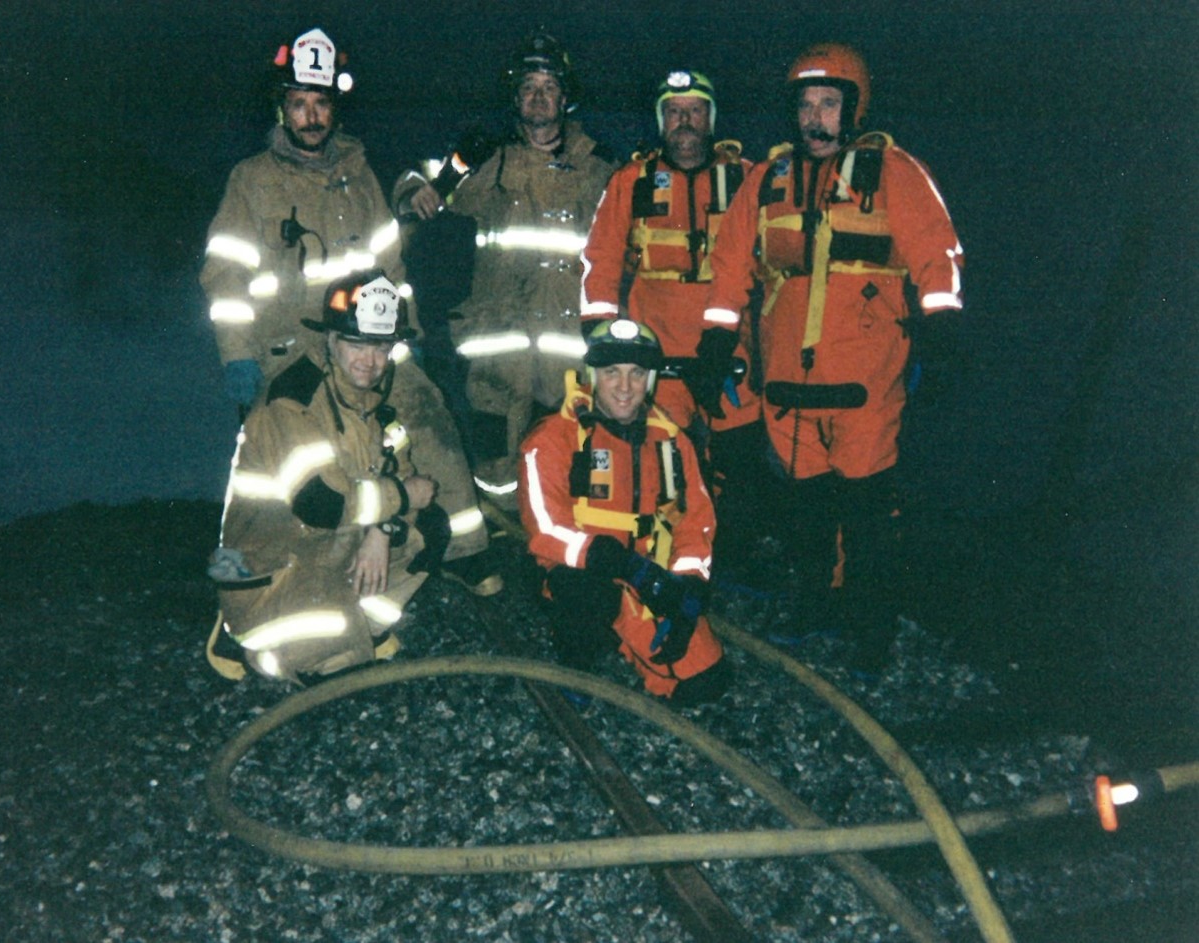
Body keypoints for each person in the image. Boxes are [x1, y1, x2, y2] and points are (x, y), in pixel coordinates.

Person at [199, 27, 498, 595]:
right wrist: (239, 358)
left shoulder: (359, 176)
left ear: (335, 110)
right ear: (282, 109)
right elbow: (225, 274)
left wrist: (400, 345)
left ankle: (464, 547)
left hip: (367, 345)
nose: (311, 117)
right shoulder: (252, 181)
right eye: (299, 104)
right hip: (293, 352)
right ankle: (256, 587)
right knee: (291, 469)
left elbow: (390, 267)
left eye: (321, 104)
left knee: (428, 413)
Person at [702, 43, 965, 672]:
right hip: (786, 385)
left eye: (828, 104)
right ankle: (817, 601)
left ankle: (869, 628)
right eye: (806, 106)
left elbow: (937, 252)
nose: (815, 119)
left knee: (868, 512)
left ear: (853, 108)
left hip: (865, 385)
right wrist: (716, 335)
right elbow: (731, 261)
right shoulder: (768, 182)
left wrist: (943, 323)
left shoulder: (894, 172)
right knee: (806, 507)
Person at [393, 29, 615, 503]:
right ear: (515, 97)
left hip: (567, 347)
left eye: (549, 87)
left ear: (566, 98)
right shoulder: (489, 160)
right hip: (499, 348)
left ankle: (558, 551)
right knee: (495, 462)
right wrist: (416, 192)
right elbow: (418, 176)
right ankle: (499, 532)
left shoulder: (597, 169)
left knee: (568, 455)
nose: (538, 98)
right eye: (528, 87)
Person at [206, 273, 449, 683]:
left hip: (324, 549)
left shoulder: (370, 403)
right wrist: (401, 498)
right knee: (335, 666)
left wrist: (383, 530)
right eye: (356, 344)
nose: (368, 361)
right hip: (271, 567)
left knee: (431, 525)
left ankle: (361, 628)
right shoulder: (293, 401)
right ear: (330, 341)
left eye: (380, 347)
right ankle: (263, 648)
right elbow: (320, 504)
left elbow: (395, 474)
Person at [580, 69, 775, 574]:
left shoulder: (748, 178)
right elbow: (600, 259)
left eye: (694, 111)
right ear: (660, 121)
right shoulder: (632, 181)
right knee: (663, 455)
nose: (683, 122)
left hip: (729, 346)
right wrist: (599, 332)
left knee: (738, 456)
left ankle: (736, 558)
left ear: (711, 119)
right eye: (673, 111)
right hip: (657, 351)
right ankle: (662, 550)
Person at [518, 320, 727, 702]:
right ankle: (578, 653)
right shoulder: (553, 438)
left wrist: (687, 586)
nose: (625, 387)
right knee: (585, 597)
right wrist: (622, 564)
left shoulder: (671, 440)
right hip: (585, 574)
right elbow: (545, 529)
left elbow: (696, 521)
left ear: (650, 379)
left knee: (706, 684)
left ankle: (630, 634)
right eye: (612, 372)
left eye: (637, 373)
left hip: (650, 574)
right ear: (592, 376)